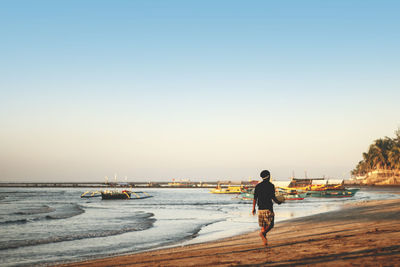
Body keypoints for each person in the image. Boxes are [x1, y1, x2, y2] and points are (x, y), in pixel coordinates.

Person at [252, 170, 282, 246]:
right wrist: (278, 202)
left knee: (263, 225)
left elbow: (255, 198)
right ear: (269, 176)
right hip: (268, 207)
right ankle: (263, 234)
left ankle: (264, 241)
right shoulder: (271, 186)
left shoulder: (258, 186)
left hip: (260, 208)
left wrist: (253, 208)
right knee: (271, 225)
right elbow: (273, 197)